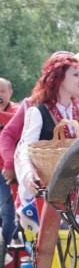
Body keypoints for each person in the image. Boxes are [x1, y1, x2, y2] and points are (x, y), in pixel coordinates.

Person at [15, 53, 79, 202]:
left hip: (77, 190)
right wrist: (28, 173)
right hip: (46, 189)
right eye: (76, 75)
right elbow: (25, 148)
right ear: (59, 77)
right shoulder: (38, 111)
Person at [0, 78, 19, 246]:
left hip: (6, 170)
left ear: (10, 93)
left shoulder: (16, 109)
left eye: (2, 91)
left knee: (7, 212)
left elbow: (13, 123)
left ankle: (3, 249)